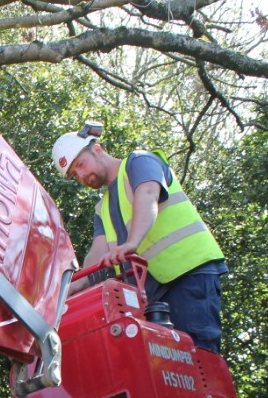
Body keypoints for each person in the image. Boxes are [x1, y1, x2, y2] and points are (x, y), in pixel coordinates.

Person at [52, 124, 228, 354]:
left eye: (81, 165)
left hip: (188, 274)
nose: (82, 175)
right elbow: (97, 251)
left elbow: (148, 194)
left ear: (98, 150)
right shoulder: (102, 208)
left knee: (199, 356)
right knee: (165, 367)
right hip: (149, 295)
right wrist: (74, 285)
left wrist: (132, 242)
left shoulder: (139, 161)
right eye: (75, 175)